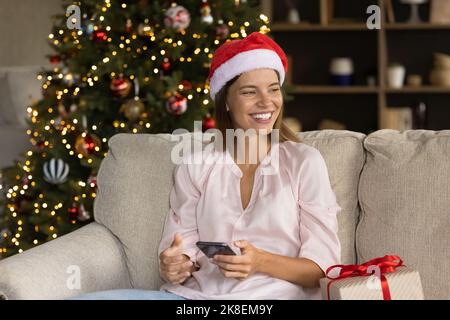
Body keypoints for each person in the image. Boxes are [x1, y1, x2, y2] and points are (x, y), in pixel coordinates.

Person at [68, 32, 341, 300]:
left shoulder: (304, 162)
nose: (266, 101)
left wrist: (260, 262)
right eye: (249, 91)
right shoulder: (197, 166)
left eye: (273, 89)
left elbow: (323, 268)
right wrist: (175, 265)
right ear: (226, 102)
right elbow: (181, 250)